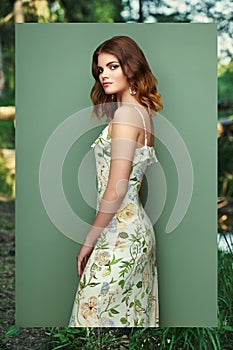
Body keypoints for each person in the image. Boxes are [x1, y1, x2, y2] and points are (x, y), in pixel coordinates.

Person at [69, 35, 163, 327]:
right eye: (100, 70)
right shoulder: (145, 114)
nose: (104, 75)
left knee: (92, 318)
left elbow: (118, 187)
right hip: (136, 231)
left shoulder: (125, 115)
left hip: (120, 234)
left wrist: (88, 241)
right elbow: (137, 182)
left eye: (112, 66)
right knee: (128, 324)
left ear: (131, 68)